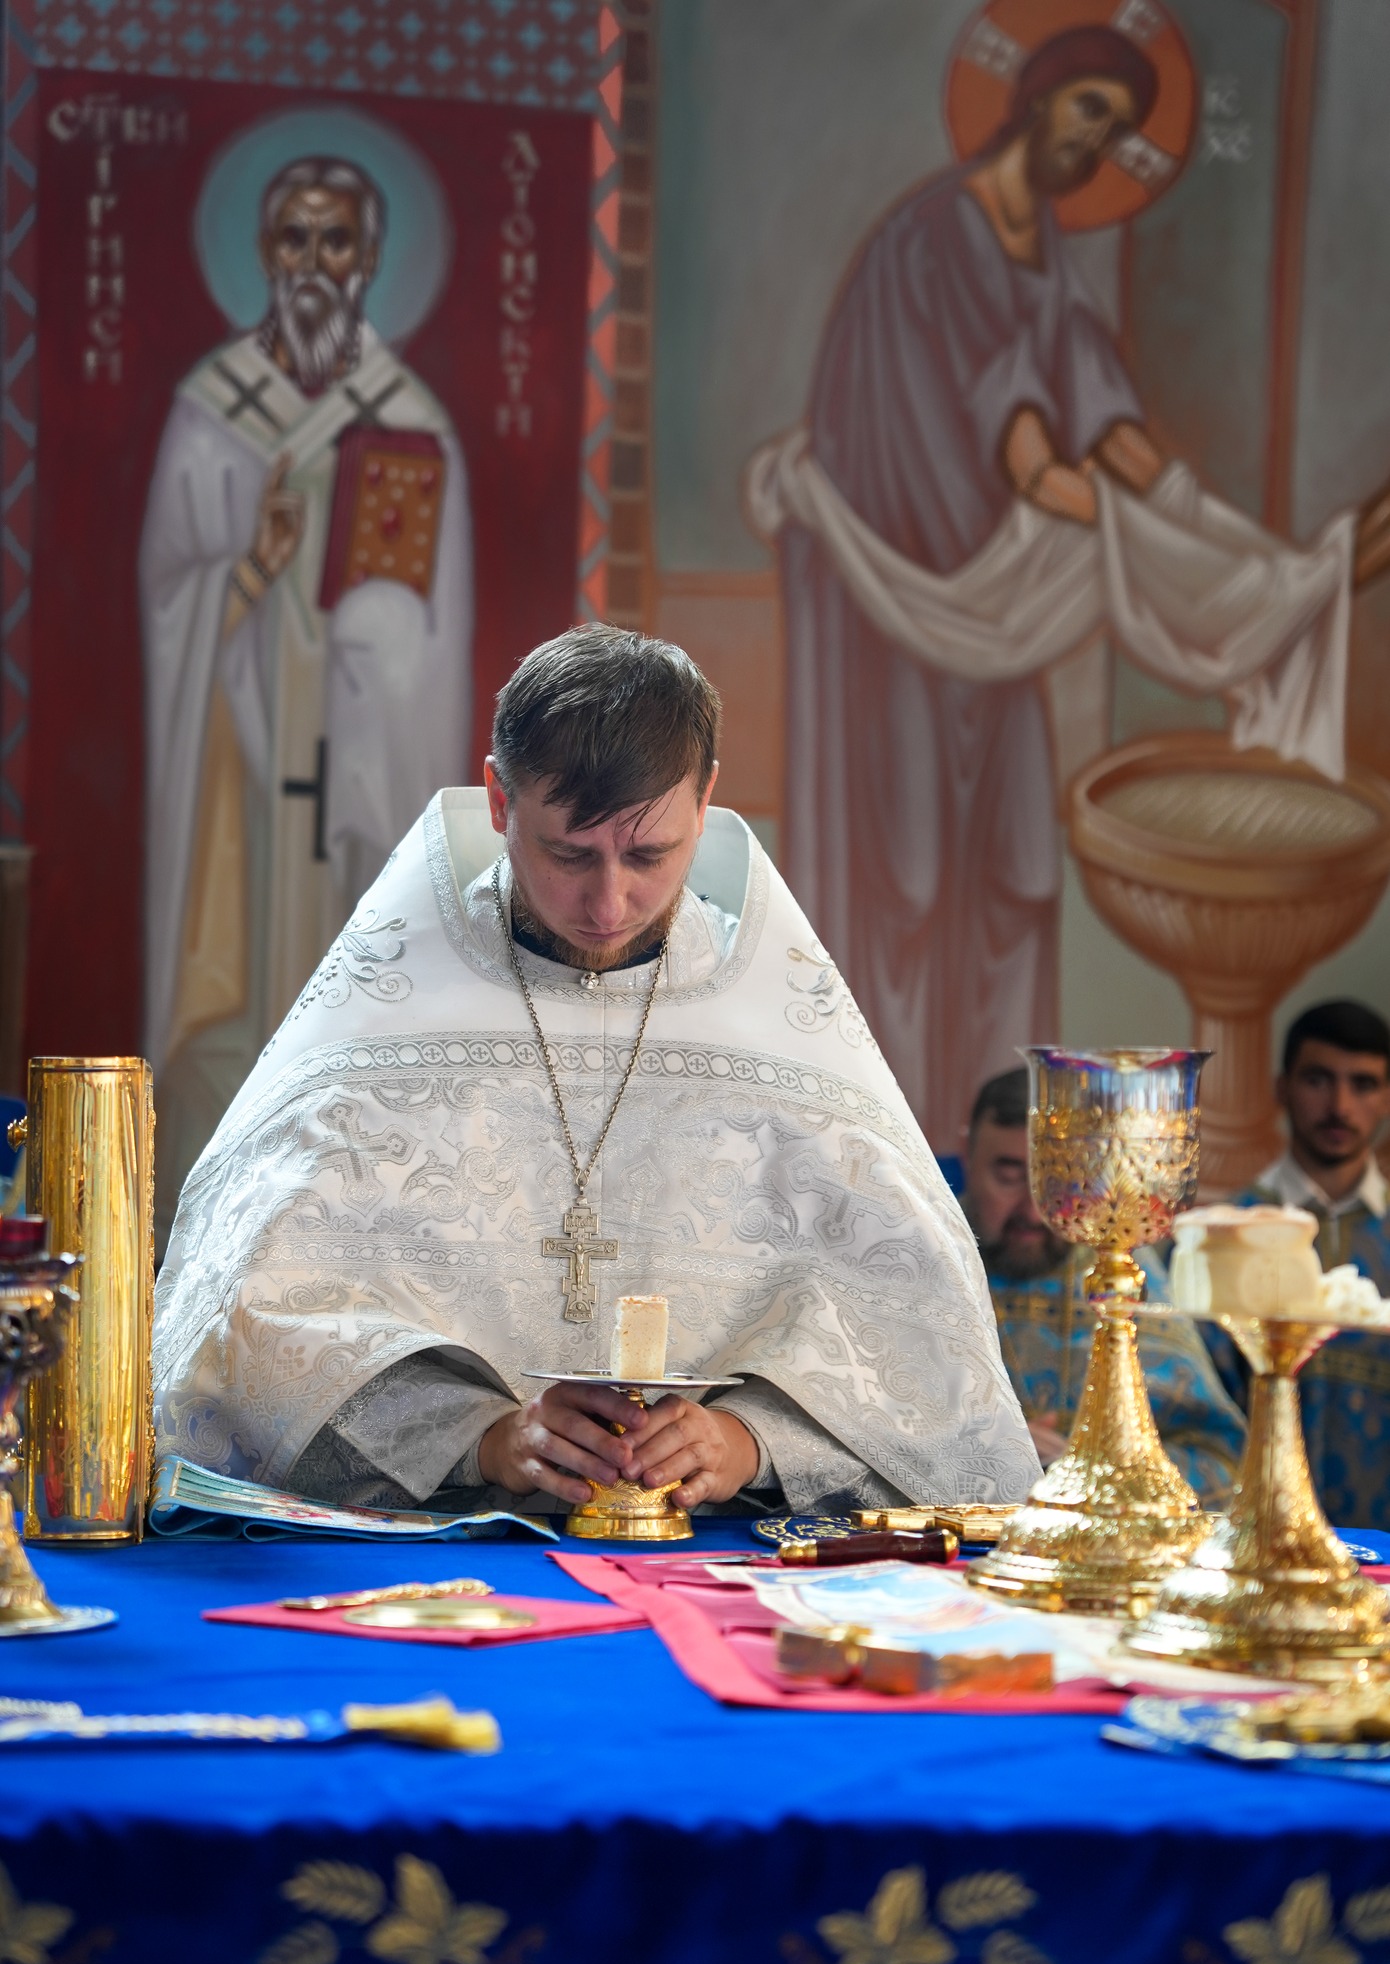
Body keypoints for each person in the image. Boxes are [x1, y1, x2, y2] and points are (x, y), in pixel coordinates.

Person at [153, 627, 1041, 1518]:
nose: (608, 903)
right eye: (569, 854)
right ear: (499, 799)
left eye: (648, 856)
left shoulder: (783, 1034)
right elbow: (244, 1333)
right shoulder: (382, 1019)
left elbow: (923, 1358)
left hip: (722, 1559)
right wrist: (482, 1439)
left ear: (706, 800)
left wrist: (750, 1441)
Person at [758, 23, 1390, 1156]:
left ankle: (997, 1152)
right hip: (894, 622)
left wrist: (1249, 553)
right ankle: (878, 1145)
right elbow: (1022, 453)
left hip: (998, 634)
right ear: (1035, 96)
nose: (1099, 138)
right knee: (903, 880)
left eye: (1119, 126)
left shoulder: (1045, 254)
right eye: (1090, 108)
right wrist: (1170, 549)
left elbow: (1108, 436)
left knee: (1011, 877)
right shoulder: (933, 240)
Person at [141, 154, 472, 1241]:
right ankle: (206, 1242)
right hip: (236, 787)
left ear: (370, 257)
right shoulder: (211, 413)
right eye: (296, 238)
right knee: (230, 1026)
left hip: (354, 793)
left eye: (337, 241)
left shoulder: (411, 421)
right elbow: (168, 601)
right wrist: (248, 570)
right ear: (264, 251)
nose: (315, 264)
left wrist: (374, 653)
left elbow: (435, 640)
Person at [960, 1067, 1245, 1505]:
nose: (1034, 1212)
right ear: (967, 1156)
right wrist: (976, 1452)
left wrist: (1098, 1476)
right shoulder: (921, 1263)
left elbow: (1219, 1459)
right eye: (1010, 1175)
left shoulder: (1123, 1272)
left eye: (1058, 1181)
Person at [1237, 1001, 1390, 1527]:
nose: (1340, 1106)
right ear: (1282, 1089)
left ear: (1387, 1097)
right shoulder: (1228, 1234)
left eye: (1363, 1084)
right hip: (1254, 1538)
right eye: (1318, 1079)